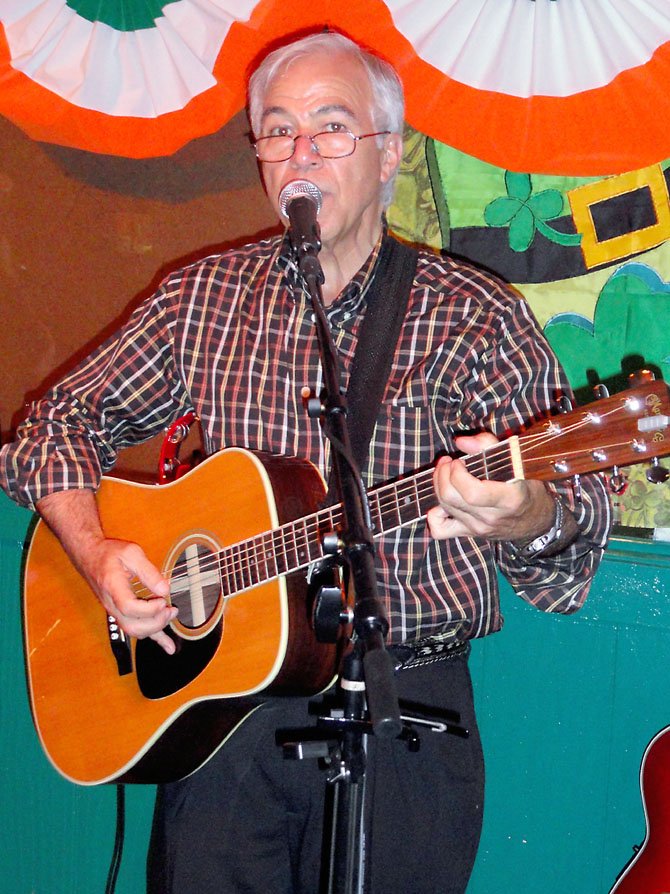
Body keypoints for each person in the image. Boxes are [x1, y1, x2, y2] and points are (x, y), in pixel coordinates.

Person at [0, 30, 611, 894]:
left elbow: (572, 537)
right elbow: (49, 425)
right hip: (222, 723)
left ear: (390, 153)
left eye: (331, 126)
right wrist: (95, 550)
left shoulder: (473, 317)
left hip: (405, 719)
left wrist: (528, 514)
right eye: (277, 130)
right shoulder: (203, 298)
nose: (300, 152)